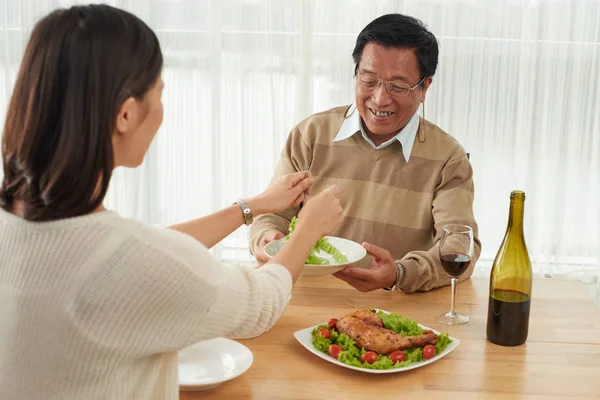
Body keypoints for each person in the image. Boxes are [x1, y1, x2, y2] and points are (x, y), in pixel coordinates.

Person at [0, 5, 343, 400]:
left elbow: (134, 256)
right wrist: (309, 230)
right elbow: (259, 305)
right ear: (125, 115)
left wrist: (253, 206)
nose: (162, 109)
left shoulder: (24, 224)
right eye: (160, 92)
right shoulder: (130, 263)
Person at [250, 14, 481, 293]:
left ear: (425, 87)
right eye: (369, 80)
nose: (380, 98)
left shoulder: (447, 158)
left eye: (397, 86)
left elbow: (459, 245)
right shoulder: (311, 135)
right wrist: (266, 238)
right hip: (307, 296)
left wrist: (399, 273)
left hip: (393, 309)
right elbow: (271, 214)